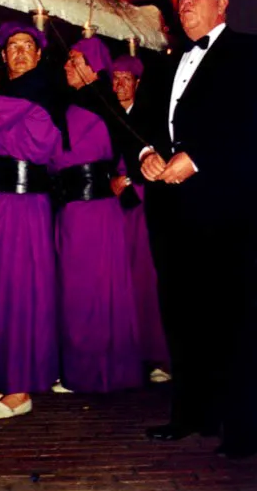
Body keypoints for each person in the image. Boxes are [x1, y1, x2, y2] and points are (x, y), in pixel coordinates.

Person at [139, 0, 257, 459]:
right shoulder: (164, 64)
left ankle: (244, 428)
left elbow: (250, 124)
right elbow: (141, 121)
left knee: (232, 318)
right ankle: (190, 414)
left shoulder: (250, 54)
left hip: (227, 210)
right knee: (182, 316)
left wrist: (199, 156)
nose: (185, 1)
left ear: (222, 3)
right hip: (171, 213)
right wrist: (145, 153)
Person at [0, 22, 62, 420]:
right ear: (2, 56)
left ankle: (21, 386)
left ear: (40, 54)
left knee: (22, 292)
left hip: (25, 203)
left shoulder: (41, 91)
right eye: (12, 46)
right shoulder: (9, 95)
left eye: (28, 45)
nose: (20, 52)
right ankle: (3, 373)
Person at [51, 37, 142, 394]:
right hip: (77, 208)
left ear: (93, 66)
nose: (66, 65)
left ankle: (90, 372)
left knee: (86, 291)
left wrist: (126, 178)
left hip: (92, 210)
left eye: (74, 60)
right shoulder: (82, 102)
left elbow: (138, 147)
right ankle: (86, 368)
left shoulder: (98, 104)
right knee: (81, 290)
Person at [111, 55, 170, 383]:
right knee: (121, 278)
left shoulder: (150, 116)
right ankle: (127, 352)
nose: (119, 85)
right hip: (114, 206)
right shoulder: (108, 114)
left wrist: (131, 180)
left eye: (125, 79)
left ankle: (159, 355)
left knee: (147, 277)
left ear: (137, 83)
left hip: (145, 201)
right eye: (114, 79)